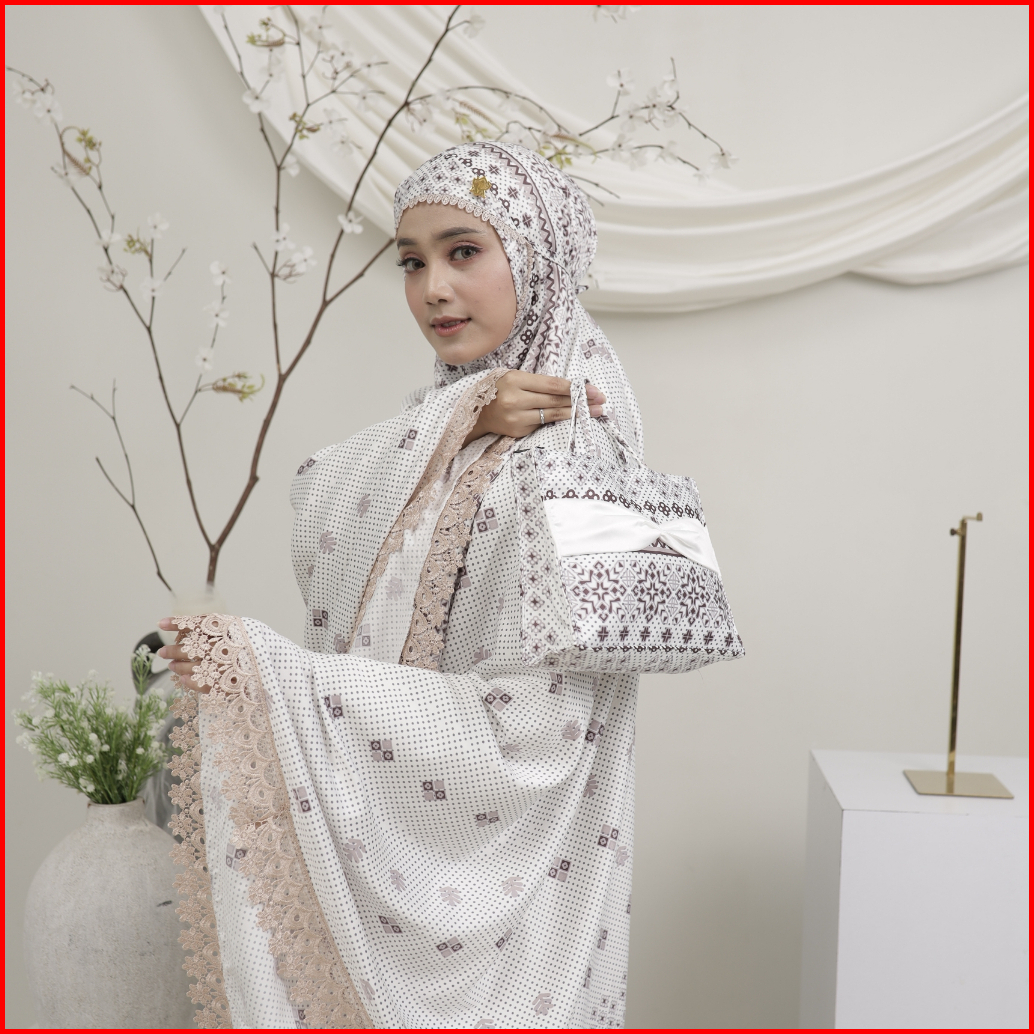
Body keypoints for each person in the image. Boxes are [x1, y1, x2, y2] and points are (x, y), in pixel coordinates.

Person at [159, 142, 648, 1029]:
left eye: (464, 251)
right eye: (413, 262)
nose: (433, 290)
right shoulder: (455, 422)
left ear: (539, 260)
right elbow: (317, 486)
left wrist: (270, 674)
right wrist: (464, 417)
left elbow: (537, 731)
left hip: (515, 913)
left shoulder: (576, 454)